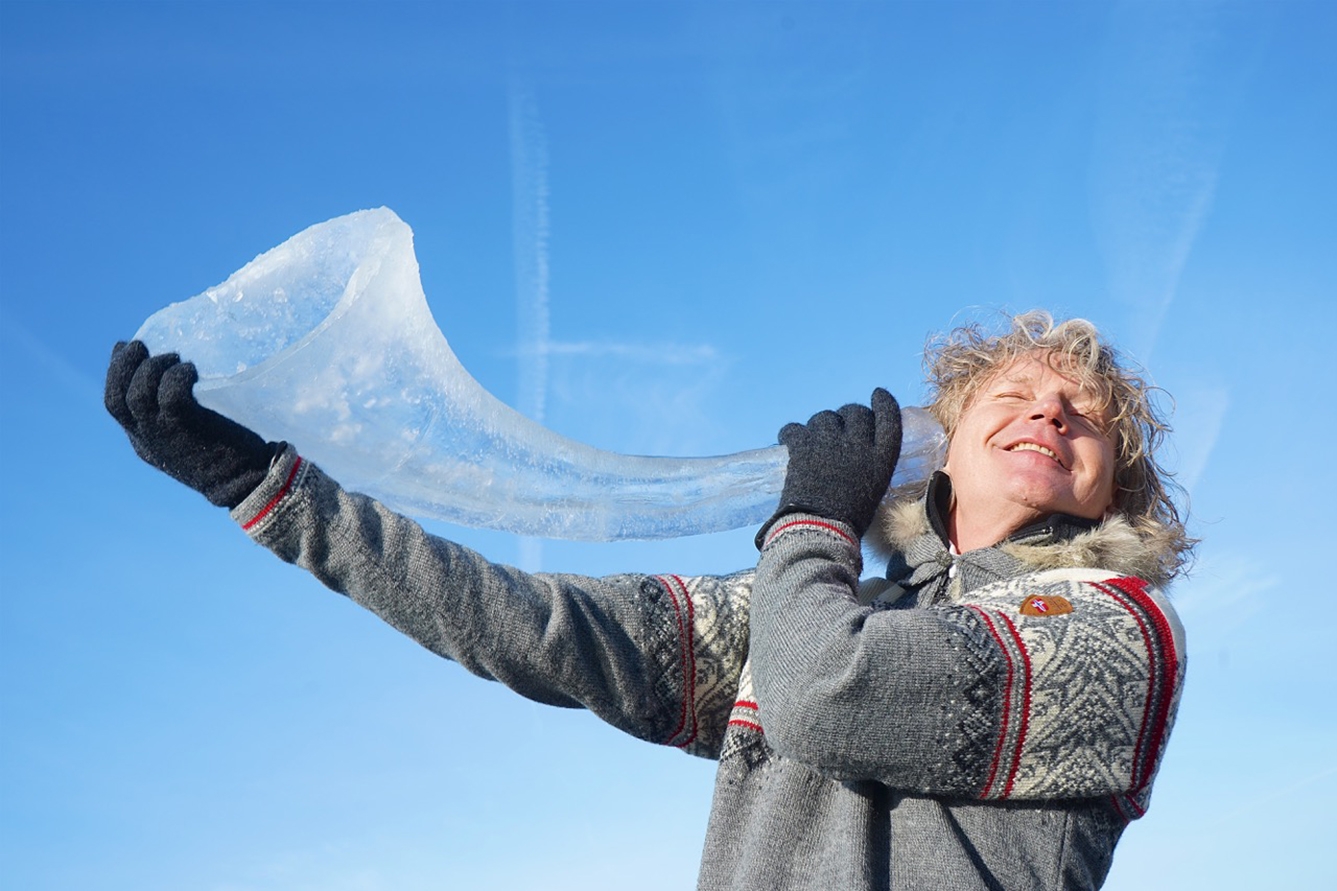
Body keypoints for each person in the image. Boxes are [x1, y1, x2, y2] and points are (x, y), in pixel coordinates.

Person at [105, 310, 1191, 890]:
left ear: (1110, 483)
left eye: (1080, 415)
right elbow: (537, 627)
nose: (1048, 414)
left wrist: (806, 522)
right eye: (1012, 396)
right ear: (938, 449)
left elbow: (823, 694)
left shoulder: (1113, 633)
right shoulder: (820, 602)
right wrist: (266, 490)